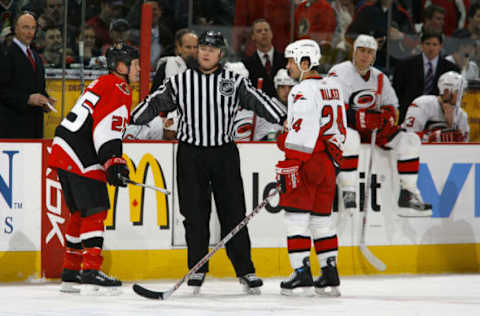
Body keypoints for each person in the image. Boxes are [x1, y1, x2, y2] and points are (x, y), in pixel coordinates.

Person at [130, 30, 287, 295]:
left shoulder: (234, 81)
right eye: (202, 47)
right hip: (191, 155)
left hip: (224, 154)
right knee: (194, 214)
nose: (205, 52)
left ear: (221, 54)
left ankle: (245, 270)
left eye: (212, 49)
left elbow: (258, 101)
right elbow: (155, 102)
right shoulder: (179, 81)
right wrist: (131, 118)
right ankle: (197, 268)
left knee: (234, 213)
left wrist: (284, 119)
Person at [48, 44, 140, 293]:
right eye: (135, 63)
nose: (139, 68)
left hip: (63, 148)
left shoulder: (102, 82)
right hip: (81, 153)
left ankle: (70, 270)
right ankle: (90, 269)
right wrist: (113, 160)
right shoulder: (119, 87)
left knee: (80, 212)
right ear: (121, 66)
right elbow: (105, 128)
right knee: (97, 208)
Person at [329, 34, 433, 217]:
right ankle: (348, 190)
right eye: (361, 51)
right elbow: (334, 108)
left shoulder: (380, 78)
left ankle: (407, 194)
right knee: (349, 137)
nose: (365, 56)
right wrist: (360, 118)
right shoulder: (339, 72)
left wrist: (385, 119)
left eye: (369, 52)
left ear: (374, 56)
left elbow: (393, 107)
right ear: (354, 52)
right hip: (346, 127)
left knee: (410, 141)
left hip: (373, 131)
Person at [276, 39, 346, 297]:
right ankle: (330, 271)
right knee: (322, 221)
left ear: (305, 62)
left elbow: (303, 134)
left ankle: (301, 272)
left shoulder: (302, 90)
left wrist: (289, 159)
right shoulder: (335, 87)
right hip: (328, 162)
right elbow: (340, 129)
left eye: (292, 61)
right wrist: (334, 162)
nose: (288, 66)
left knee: (296, 218)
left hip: (307, 161)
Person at [0, 11, 56, 138]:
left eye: (33, 28)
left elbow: (37, 88)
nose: (30, 32)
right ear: (15, 29)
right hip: (12, 128)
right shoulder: (6, 54)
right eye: (26, 27)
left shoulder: (35, 55)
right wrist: (27, 99)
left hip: (35, 129)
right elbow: (3, 91)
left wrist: (46, 100)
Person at [393, 32, 459, 124]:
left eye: (434, 44)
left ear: (440, 46)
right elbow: (397, 91)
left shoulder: (451, 68)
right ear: (421, 45)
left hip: (438, 116)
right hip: (409, 114)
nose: (431, 48)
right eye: (427, 44)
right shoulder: (405, 65)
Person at [402, 71, 469, 142]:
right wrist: (430, 138)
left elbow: (464, 143)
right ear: (446, 91)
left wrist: (451, 125)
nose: (463, 96)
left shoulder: (461, 114)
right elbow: (408, 135)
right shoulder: (422, 104)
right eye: (458, 92)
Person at [242, 19, 287, 98]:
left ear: (272, 34)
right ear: (253, 36)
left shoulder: (285, 60)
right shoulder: (246, 64)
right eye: (259, 31)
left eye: (266, 30)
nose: (264, 33)